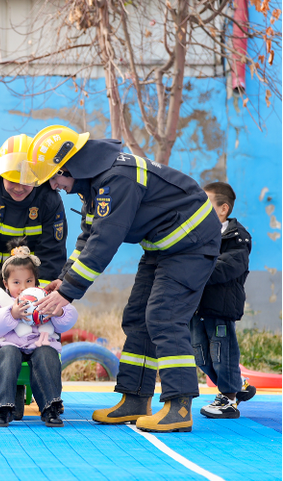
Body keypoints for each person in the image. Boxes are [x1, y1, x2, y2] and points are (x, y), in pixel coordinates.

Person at [27, 125, 222, 433]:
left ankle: (179, 406)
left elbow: (105, 242)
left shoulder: (116, 179)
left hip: (191, 244)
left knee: (164, 316)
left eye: (54, 177)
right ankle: (135, 399)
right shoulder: (93, 184)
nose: (53, 186)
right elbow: (88, 239)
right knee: (136, 318)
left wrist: (68, 293)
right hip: (163, 247)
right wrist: (62, 280)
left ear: (69, 167)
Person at [0, 134, 68, 411]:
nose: (20, 187)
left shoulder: (49, 199)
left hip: (35, 276)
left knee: (42, 329)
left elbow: (53, 249)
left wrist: (42, 293)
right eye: (12, 178)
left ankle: (43, 390)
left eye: (27, 180)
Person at [0, 241, 78, 427]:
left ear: (36, 281)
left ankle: (50, 407)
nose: (23, 287)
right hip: (8, 345)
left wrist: (59, 312)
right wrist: (11, 314)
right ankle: (3, 408)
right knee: (7, 354)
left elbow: (70, 319)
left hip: (37, 345)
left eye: (28, 281)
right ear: (6, 283)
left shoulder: (45, 298)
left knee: (47, 353)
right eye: (16, 282)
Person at [192, 182, 256, 419]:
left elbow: (225, 269)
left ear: (223, 209)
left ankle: (229, 399)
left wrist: (191, 267)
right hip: (196, 306)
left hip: (220, 306)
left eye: (205, 204)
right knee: (200, 354)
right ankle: (237, 385)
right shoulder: (196, 234)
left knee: (222, 353)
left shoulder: (237, 238)